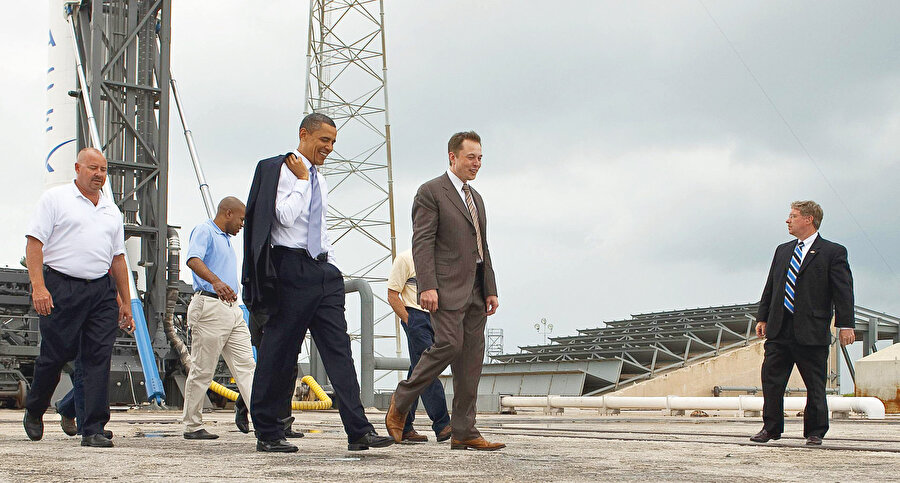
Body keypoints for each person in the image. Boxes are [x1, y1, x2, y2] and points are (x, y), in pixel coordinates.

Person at [242, 112, 393, 453]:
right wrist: (299, 181)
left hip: (323, 272)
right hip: (289, 269)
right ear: (304, 134)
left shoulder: (318, 179)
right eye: (324, 140)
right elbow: (282, 217)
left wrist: (333, 267)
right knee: (278, 351)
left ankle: (359, 431)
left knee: (340, 351)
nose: (329, 148)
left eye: (333, 142)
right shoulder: (283, 170)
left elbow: (319, 228)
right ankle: (267, 431)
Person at [385, 131, 504, 451]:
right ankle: (402, 399)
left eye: (480, 157)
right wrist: (428, 285)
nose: (476, 163)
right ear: (452, 157)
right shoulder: (431, 192)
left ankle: (464, 430)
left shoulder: (476, 198)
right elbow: (421, 242)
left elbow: (482, 247)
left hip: (477, 291)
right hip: (446, 289)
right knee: (448, 345)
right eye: (470, 157)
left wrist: (490, 287)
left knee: (470, 362)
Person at [23, 147, 135, 448]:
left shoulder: (111, 211)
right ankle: (34, 409)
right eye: (93, 168)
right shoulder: (55, 200)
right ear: (78, 168)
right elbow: (34, 244)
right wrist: (39, 287)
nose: (99, 174)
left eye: (103, 169)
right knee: (55, 356)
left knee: (97, 358)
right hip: (61, 286)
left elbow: (118, 259)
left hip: (100, 290)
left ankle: (93, 428)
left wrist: (125, 302)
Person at [751, 200, 855, 446]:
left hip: (811, 329)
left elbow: (843, 291)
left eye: (793, 216)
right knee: (772, 380)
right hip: (780, 328)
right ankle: (771, 428)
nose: (788, 220)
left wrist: (846, 324)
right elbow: (772, 286)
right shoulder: (783, 250)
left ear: (809, 219)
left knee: (815, 384)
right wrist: (762, 316)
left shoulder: (833, 252)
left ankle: (815, 431)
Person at [181, 197, 257, 440]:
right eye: (241, 219)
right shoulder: (205, 231)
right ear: (227, 213)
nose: (242, 224)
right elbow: (193, 259)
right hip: (210, 306)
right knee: (203, 369)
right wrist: (216, 281)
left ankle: (262, 421)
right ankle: (192, 425)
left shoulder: (225, 240)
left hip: (232, 308)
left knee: (247, 366)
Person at [386, 248, 451, 443]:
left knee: (418, 370)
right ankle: (442, 424)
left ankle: (404, 425)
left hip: (437, 318)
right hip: (415, 316)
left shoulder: (440, 260)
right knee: (428, 369)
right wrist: (409, 321)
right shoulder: (405, 259)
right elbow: (392, 295)